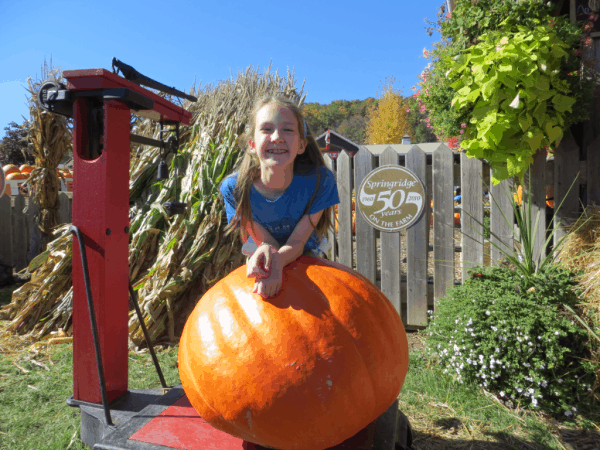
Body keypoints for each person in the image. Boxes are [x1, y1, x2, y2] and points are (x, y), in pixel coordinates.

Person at [219, 95, 339, 298]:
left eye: (288, 129)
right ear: (252, 145)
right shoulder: (235, 189)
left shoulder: (321, 181)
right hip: (261, 249)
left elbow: (299, 241)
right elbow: (263, 242)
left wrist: (278, 261)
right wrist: (270, 262)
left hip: (307, 253)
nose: (277, 137)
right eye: (266, 129)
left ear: (301, 145)